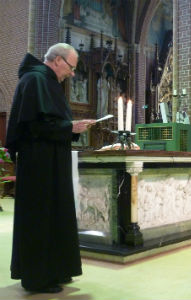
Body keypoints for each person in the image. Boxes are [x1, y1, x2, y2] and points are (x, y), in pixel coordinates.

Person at [5, 43, 96, 293]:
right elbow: (32, 127)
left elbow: (52, 122)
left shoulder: (48, 82)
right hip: (38, 162)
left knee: (56, 213)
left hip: (51, 159)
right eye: (71, 67)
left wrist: (71, 127)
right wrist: (70, 127)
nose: (73, 73)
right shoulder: (35, 80)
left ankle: (56, 269)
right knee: (39, 216)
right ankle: (37, 277)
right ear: (57, 60)